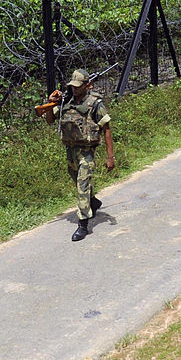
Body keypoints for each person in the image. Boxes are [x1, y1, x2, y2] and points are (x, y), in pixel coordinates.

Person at [45, 69, 116, 241]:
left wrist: (110, 156)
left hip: (87, 151)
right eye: (73, 86)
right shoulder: (66, 102)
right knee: (78, 181)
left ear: (87, 85)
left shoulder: (95, 104)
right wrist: (51, 103)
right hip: (70, 151)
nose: (75, 89)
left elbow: (106, 129)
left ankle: (83, 224)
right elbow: (49, 120)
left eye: (78, 86)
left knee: (82, 185)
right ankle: (93, 202)